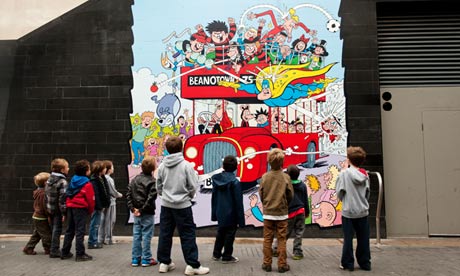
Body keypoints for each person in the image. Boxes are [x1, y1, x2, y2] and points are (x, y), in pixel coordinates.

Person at [156, 136, 210, 275]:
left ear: (167, 149)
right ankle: (192, 265)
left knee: (165, 233)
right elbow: (193, 185)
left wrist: (165, 196)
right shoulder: (186, 165)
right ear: (181, 148)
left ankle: (164, 262)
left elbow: (159, 185)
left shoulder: (162, 166)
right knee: (187, 234)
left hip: (166, 206)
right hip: (183, 206)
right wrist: (190, 196)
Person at [335, 146, 371, 271]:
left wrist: (344, 200)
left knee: (348, 239)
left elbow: (340, 191)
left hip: (349, 211)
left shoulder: (344, 174)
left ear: (349, 160)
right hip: (363, 211)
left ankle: (347, 263)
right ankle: (365, 262)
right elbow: (367, 192)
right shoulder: (365, 174)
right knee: (363, 238)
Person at [258, 148, 293, 273]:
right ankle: (282, 264)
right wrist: (285, 204)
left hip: (268, 214)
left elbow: (261, 193)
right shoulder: (286, 177)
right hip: (282, 213)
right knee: (281, 239)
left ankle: (267, 263)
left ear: (269, 162)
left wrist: (266, 204)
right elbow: (290, 195)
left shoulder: (265, 177)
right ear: (282, 162)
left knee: (267, 239)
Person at [211, 155, 245, 264]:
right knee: (230, 235)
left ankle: (216, 254)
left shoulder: (216, 180)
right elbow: (238, 203)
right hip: (232, 215)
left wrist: (214, 213)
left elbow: (214, 198)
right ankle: (227, 256)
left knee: (220, 232)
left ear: (223, 166)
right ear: (236, 167)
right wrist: (241, 220)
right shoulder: (235, 183)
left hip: (220, 212)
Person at [272, 165, 309, 260]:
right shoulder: (302, 185)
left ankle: (276, 249)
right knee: (299, 233)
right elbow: (305, 200)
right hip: (301, 212)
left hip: (289, 213)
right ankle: (297, 252)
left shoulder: (286, 185)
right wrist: (307, 212)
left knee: (284, 233)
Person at [126, 157, 158, 267]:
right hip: (147, 213)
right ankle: (146, 258)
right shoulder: (153, 182)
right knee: (146, 236)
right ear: (153, 168)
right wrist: (142, 209)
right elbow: (151, 198)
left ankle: (135, 258)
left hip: (136, 212)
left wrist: (133, 209)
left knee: (136, 235)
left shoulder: (134, 179)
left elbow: (128, 194)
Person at [61, 160, 95, 261]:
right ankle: (80, 254)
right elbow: (91, 199)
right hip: (80, 208)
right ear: (86, 171)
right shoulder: (87, 184)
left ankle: (65, 252)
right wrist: (90, 210)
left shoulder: (73, 180)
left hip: (70, 207)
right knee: (80, 231)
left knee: (69, 230)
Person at [45, 158, 69, 258]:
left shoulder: (49, 179)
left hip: (50, 208)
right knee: (57, 229)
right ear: (62, 170)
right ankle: (54, 250)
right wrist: (64, 212)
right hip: (58, 210)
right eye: (67, 167)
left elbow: (45, 195)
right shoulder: (62, 182)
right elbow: (62, 199)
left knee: (53, 228)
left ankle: (52, 248)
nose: (69, 168)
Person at [23, 172, 52, 255]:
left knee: (37, 234)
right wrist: (48, 215)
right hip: (41, 217)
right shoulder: (43, 194)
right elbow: (44, 207)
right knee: (46, 235)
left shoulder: (38, 191)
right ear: (45, 183)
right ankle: (48, 249)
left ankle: (28, 248)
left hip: (37, 217)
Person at [98, 160, 123, 245]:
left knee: (102, 220)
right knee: (110, 220)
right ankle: (108, 239)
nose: (113, 168)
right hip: (111, 202)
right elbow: (113, 191)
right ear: (108, 169)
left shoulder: (101, 178)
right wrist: (119, 195)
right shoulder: (109, 179)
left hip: (102, 202)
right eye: (112, 166)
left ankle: (100, 238)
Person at [87, 160, 110, 249]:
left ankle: (94, 240)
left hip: (100, 205)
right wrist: (99, 205)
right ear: (100, 169)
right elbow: (96, 194)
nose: (105, 169)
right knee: (95, 223)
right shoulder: (94, 180)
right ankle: (92, 241)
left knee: (97, 223)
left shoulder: (102, 179)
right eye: (104, 168)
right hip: (97, 206)